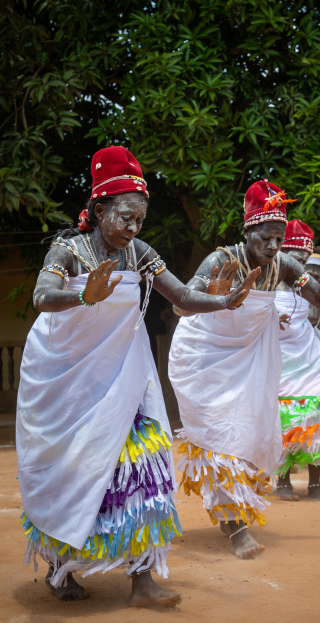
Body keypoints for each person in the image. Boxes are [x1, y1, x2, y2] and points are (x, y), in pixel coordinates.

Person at [17, 146, 257, 606]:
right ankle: (60, 569)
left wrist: (224, 302)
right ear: (100, 209)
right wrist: (83, 296)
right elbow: (43, 296)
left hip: (127, 377)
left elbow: (183, 298)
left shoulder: (140, 253)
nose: (133, 228)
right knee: (73, 471)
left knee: (144, 467)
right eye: (125, 217)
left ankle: (143, 580)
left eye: (139, 221)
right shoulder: (67, 249)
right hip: (68, 385)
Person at [168, 180, 320, 558]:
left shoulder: (284, 264)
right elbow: (181, 306)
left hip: (251, 360)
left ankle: (229, 509)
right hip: (207, 360)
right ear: (248, 229)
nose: (272, 246)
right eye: (265, 238)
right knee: (222, 440)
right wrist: (214, 297)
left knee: (246, 438)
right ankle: (237, 530)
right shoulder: (221, 260)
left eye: (278, 239)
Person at [276, 229, 320, 503]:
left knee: (317, 417)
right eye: (306, 266)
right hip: (280, 361)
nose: (313, 276)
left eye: (319, 273)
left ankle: (315, 484)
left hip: (313, 359)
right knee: (284, 420)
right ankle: (283, 482)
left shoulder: (316, 292)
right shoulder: (272, 287)